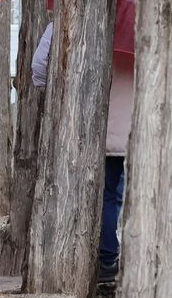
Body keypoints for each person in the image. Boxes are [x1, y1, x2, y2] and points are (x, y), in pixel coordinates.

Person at [31, 23, 134, 283]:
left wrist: (55, 92)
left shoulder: (68, 21)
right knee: (117, 194)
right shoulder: (140, 21)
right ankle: (111, 255)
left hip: (84, 123)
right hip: (134, 125)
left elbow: (39, 68)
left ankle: (102, 255)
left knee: (97, 193)